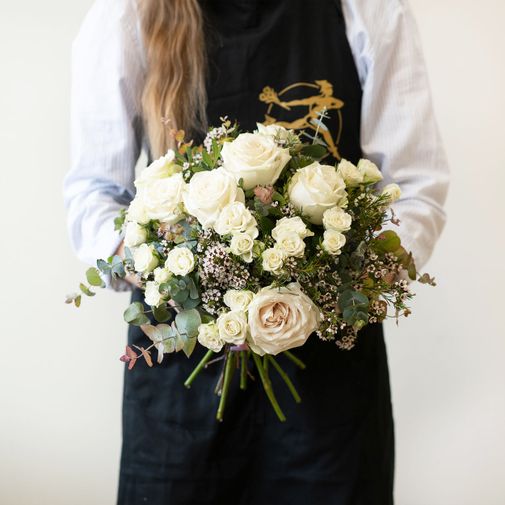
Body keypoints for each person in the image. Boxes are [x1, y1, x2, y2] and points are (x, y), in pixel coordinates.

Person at [63, 0, 449, 503]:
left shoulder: (369, 10)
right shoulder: (128, 14)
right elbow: (93, 194)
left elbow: (416, 188)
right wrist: (190, 276)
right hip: (180, 382)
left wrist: (332, 283)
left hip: (330, 385)